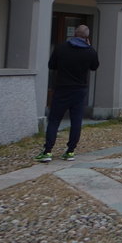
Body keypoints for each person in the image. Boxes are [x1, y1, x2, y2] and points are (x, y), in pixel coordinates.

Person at [36, 24, 99, 162]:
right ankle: (70, 151)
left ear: (74, 34)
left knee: (54, 120)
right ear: (87, 37)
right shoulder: (90, 51)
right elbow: (94, 67)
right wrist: (89, 47)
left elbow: (51, 65)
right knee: (76, 121)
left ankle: (47, 151)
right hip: (79, 90)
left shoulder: (61, 47)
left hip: (62, 88)